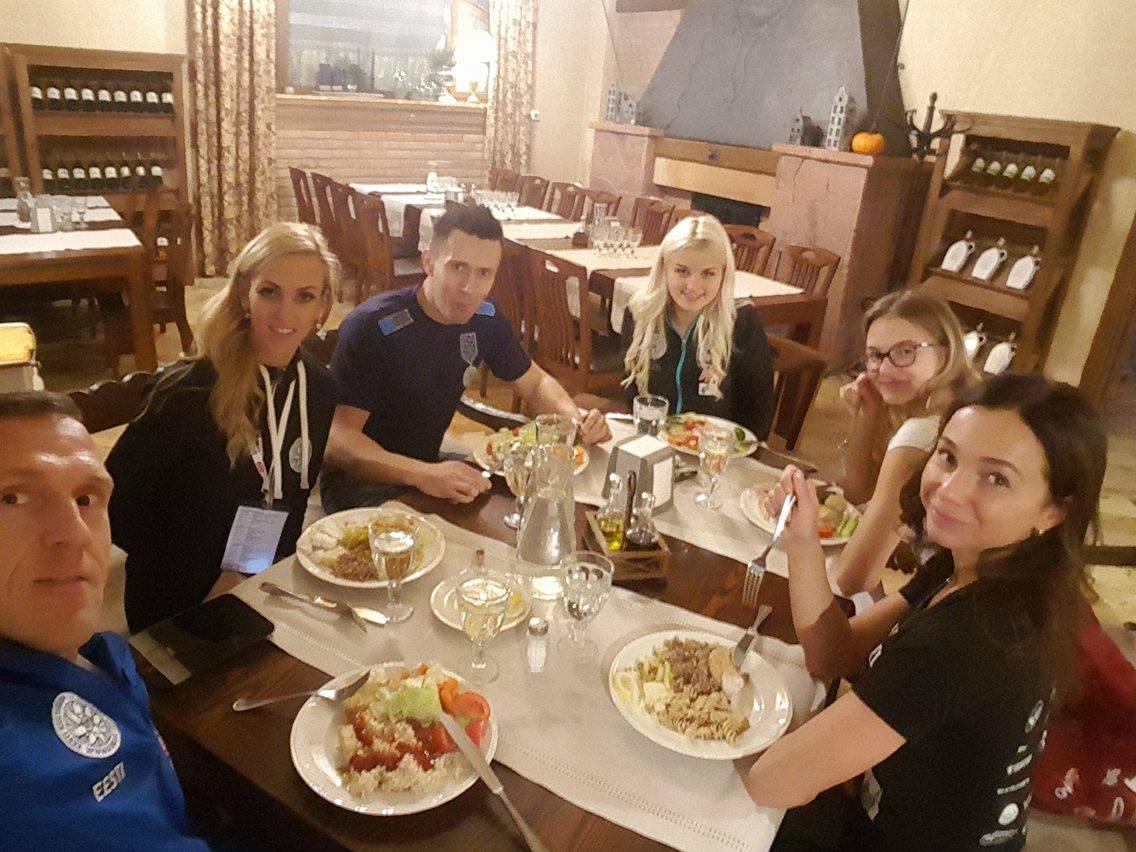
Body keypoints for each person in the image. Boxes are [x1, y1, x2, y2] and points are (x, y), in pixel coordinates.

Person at [747, 374, 1107, 851]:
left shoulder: (971, 639)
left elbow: (772, 783)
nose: (948, 491)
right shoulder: (974, 568)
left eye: (996, 478)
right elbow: (833, 653)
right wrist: (802, 540)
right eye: (948, 457)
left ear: (1054, 512)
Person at [0, 392, 208, 848]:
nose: (76, 534)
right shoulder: (28, 792)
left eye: (86, 497)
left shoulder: (99, 649)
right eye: (12, 497)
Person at [108, 222, 339, 631]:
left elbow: (292, 499)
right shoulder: (186, 395)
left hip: (269, 583)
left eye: (304, 297)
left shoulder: (319, 389)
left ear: (323, 306)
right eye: (270, 292)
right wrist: (205, 585)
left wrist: (255, 573)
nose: (285, 314)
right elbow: (114, 509)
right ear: (244, 294)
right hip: (178, 600)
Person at [322, 204, 611, 511]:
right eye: (457, 267)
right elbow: (339, 441)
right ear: (429, 262)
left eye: (484, 273)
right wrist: (423, 475)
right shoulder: (374, 325)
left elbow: (535, 382)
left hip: (428, 466)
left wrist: (574, 421)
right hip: (359, 486)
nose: (469, 288)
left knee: (541, 502)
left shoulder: (485, 317)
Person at [834, 290, 974, 594]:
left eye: (905, 352)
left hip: (949, 599)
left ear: (945, 353)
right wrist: (868, 413)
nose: (884, 369)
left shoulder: (923, 432)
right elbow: (859, 490)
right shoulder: (958, 407)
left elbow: (853, 578)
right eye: (875, 355)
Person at [620, 213, 775, 440]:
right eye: (681, 271)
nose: (693, 286)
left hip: (717, 449)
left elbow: (758, 410)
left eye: (708, 274)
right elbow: (631, 393)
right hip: (652, 443)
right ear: (664, 268)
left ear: (724, 274)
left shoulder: (741, 322)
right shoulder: (640, 314)